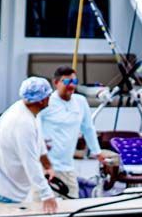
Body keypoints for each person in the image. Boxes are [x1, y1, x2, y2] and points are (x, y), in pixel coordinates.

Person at [0, 77, 58, 214]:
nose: (50, 97)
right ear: (42, 100)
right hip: (3, 189)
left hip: (1, 179)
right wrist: (47, 196)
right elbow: (30, 163)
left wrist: (47, 166)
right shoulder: (22, 123)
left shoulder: (28, 109)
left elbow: (38, 142)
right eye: (48, 95)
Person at [39, 66, 105, 198]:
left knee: (73, 205)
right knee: (42, 208)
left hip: (68, 167)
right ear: (56, 83)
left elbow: (88, 128)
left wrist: (97, 152)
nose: (71, 86)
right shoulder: (46, 103)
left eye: (74, 82)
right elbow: (33, 130)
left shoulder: (81, 101)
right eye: (67, 82)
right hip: (46, 167)